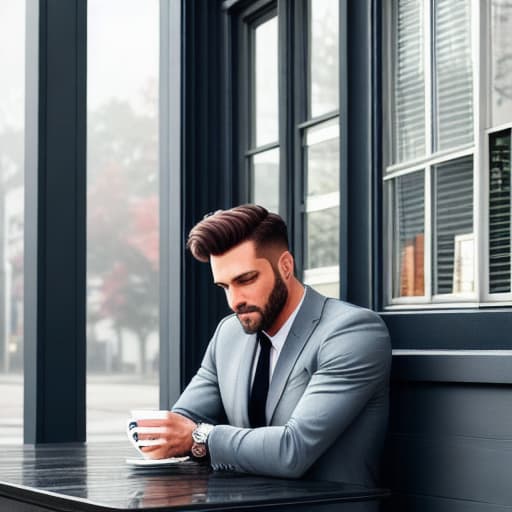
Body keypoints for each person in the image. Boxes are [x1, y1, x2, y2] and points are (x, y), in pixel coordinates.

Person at [138, 204, 391, 486]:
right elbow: (183, 421)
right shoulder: (228, 335)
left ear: (285, 266)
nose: (235, 301)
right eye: (224, 287)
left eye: (245, 279)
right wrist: (165, 435)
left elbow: (292, 450)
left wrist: (200, 438)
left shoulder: (351, 332)